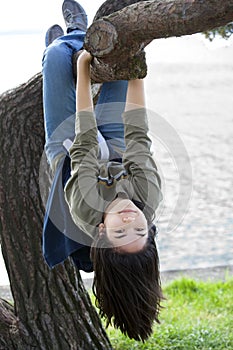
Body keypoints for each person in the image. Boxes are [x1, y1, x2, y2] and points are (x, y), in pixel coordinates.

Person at [42, 0, 164, 341]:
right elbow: (139, 132)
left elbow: (82, 136)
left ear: (100, 232)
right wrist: (137, 69)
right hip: (120, 150)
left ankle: (70, 35)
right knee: (120, 66)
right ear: (149, 229)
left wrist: (82, 71)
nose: (129, 223)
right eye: (139, 232)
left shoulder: (85, 206)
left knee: (56, 58)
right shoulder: (148, 198)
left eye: (120, 234)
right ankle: (78, 39)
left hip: (72, 152)